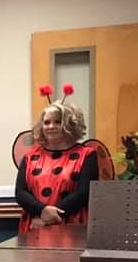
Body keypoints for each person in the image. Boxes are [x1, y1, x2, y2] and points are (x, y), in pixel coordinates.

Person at [15, 100, 98, 234]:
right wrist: (41, 210)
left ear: (70, 125)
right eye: (46, 122)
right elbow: (20, 193)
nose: (51, 126)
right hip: (34, 224)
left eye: (58, 122)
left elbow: (84, 193)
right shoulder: (30, 157)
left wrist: (49, 218)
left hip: (72, 225)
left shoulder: (87, 154)